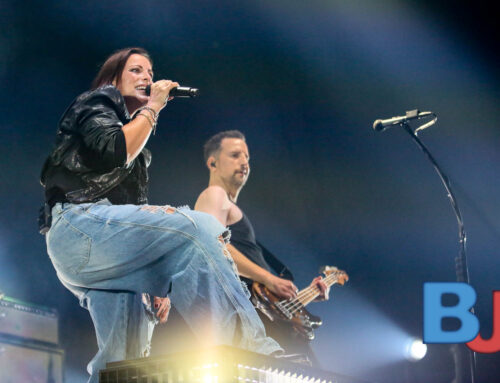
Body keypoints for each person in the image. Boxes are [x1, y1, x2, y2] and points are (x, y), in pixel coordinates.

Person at [39, 48, 282, 383]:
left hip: (105, 254)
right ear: (114, 79)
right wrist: (153, 108)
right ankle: (252, 356)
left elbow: (135, 218)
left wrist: (152, 274)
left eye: (150, 73)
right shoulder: (97, 102)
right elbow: (115, 151)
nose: (147, 79)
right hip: (79, 227)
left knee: (123, 368)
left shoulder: (140, 150)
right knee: (199, 226)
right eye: (136, 70)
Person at [194, 130, 329, 365]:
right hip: (246, 325)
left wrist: (301, 295)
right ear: (213, 162)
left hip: (265, 322)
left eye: (247, 157)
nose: (244, 162)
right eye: (235, 155)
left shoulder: (232, 210)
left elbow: (258, 290)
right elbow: (211, 245)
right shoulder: (214, 194)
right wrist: (270, 279)